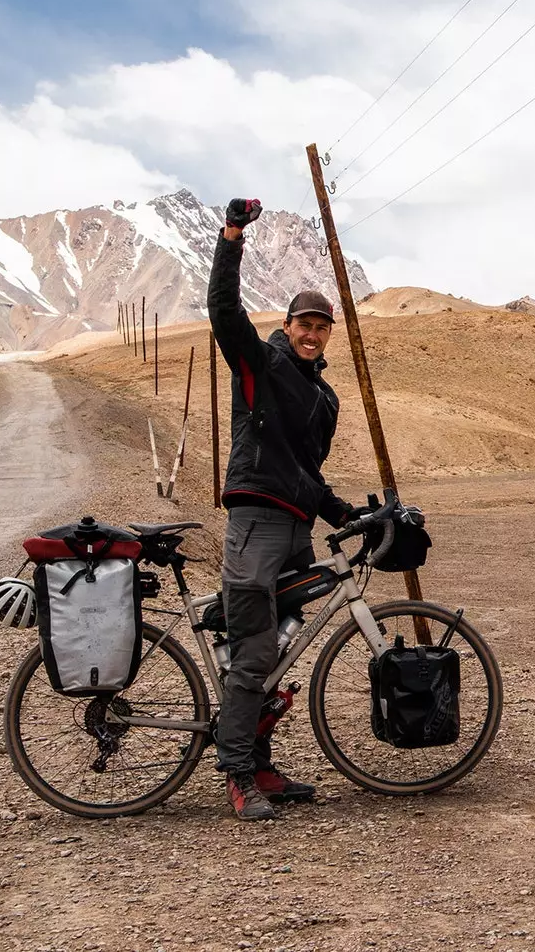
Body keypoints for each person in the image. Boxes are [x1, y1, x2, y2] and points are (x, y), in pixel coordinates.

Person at [208, 197, 357, 821]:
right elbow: (222, 311)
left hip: (295, 527)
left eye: (322, 327)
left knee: (283, 648)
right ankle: (238, 774)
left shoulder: (325, 398)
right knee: (256, 649)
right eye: (304, 323)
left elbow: (308, 476)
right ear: (289, 325)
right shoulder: (261, 364)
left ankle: (262, 766)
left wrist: (350, 517)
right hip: (255, 522)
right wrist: (233, 236)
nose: (311, 333)